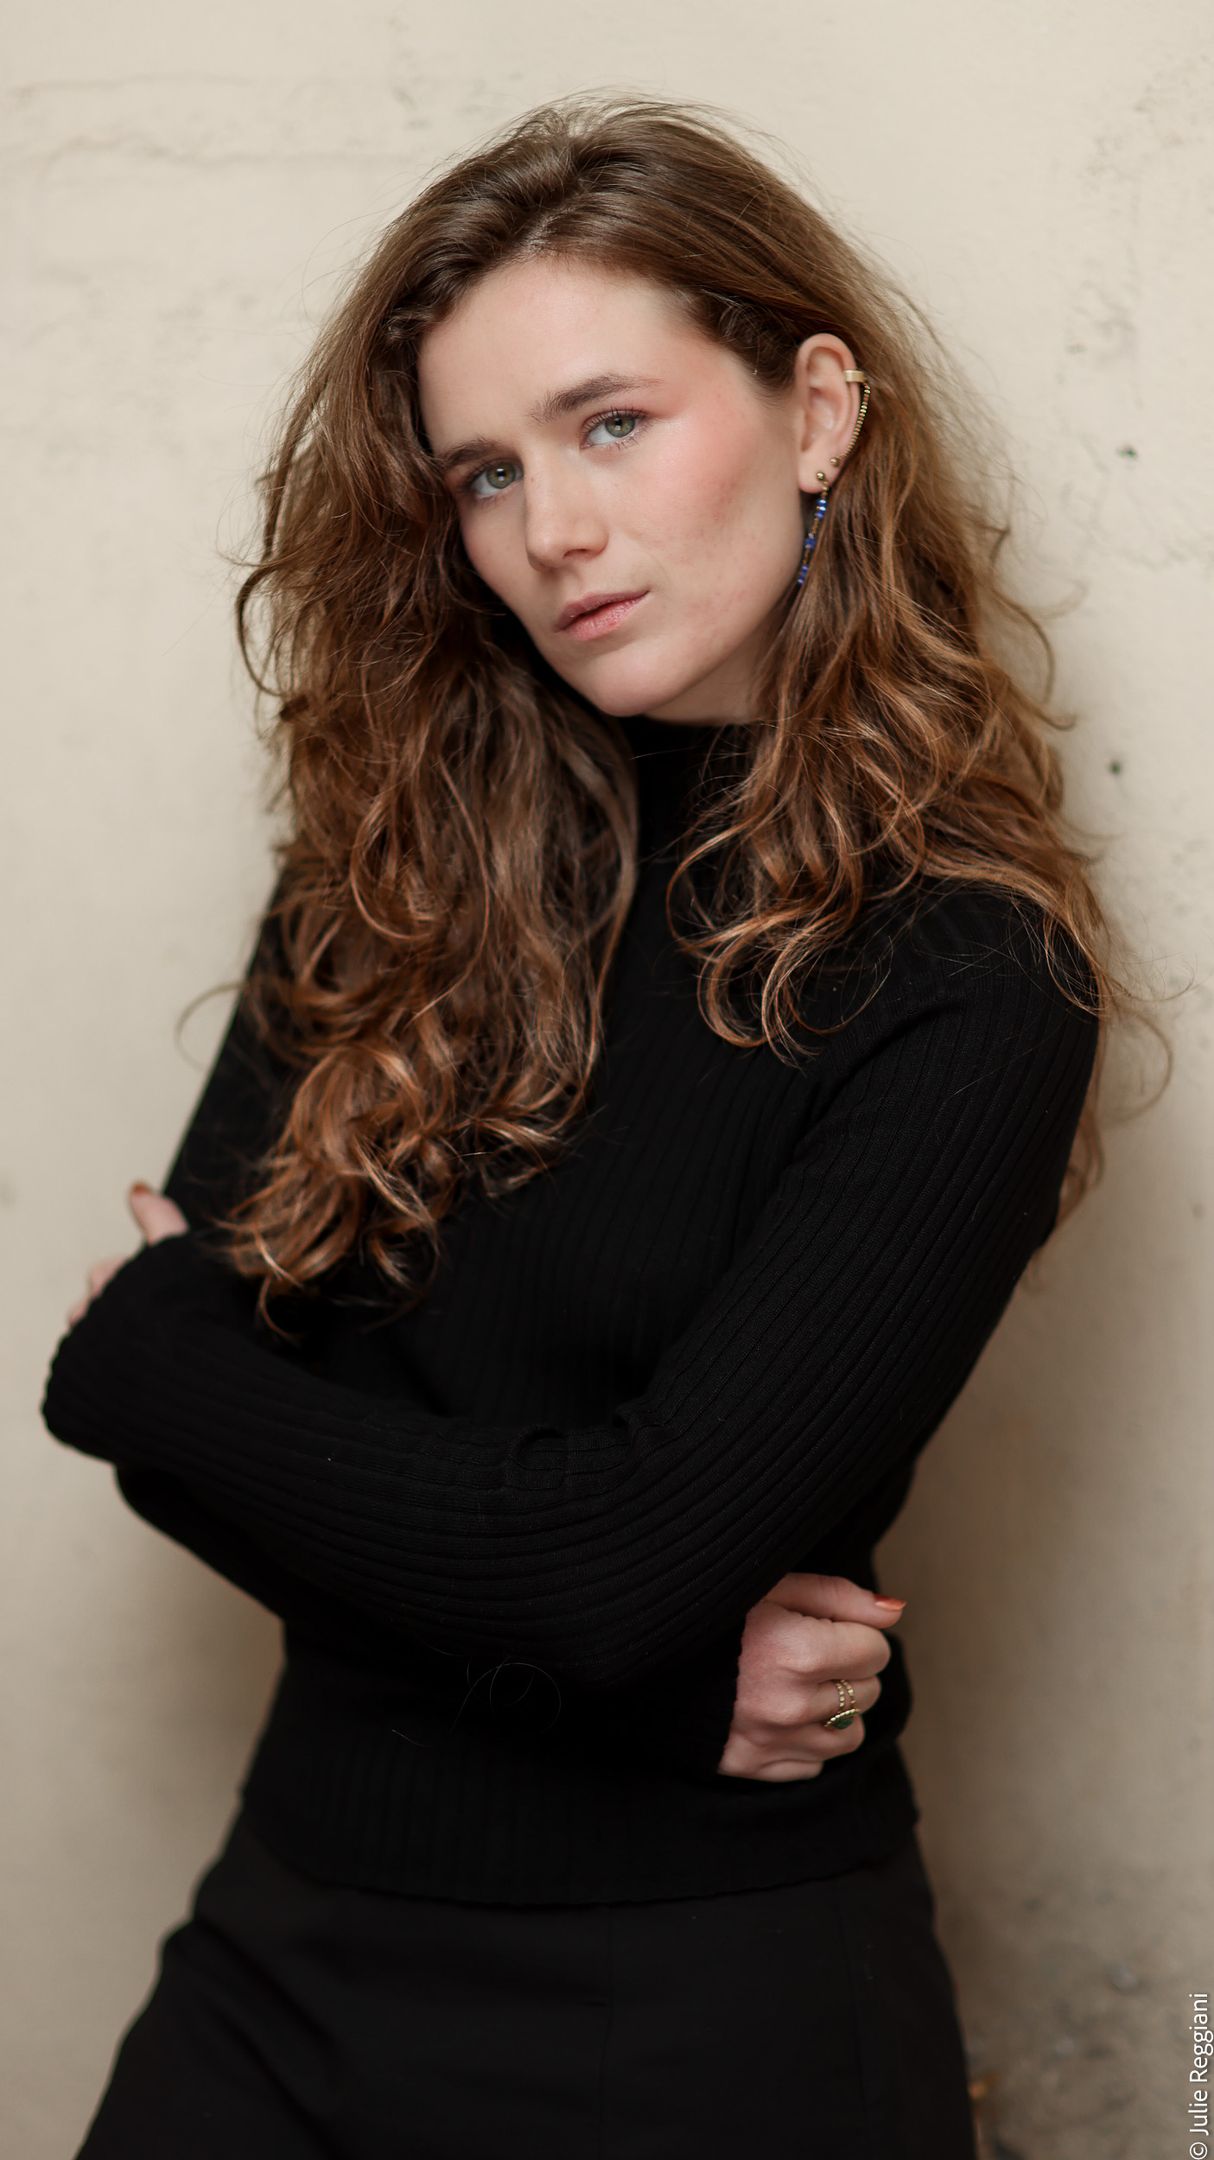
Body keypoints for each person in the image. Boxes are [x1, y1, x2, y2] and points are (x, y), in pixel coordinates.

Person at [40, 88, 1146, 2159]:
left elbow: (560, 1540)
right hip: (283, 1946)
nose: (547, 528)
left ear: (817, 410)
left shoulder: (968, 975)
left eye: (610, 423)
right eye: (485, 471)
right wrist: (637, 1659)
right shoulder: (393, 867)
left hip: (697, 2001)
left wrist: (162, 1357)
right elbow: (186, 1444)